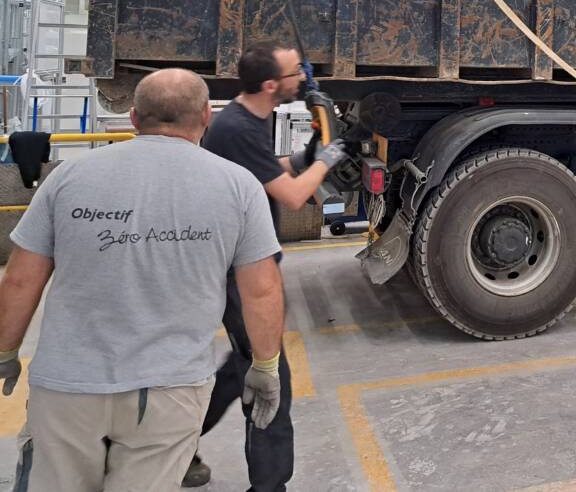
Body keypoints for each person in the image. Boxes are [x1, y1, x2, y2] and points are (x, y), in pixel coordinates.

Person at [0, 68, 284, 491]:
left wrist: (6, 350)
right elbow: (261, 289)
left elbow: (20, 280)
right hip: (170, 392)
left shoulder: (68, 178)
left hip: (67, 387)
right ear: (206, 116)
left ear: (133, 117)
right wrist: (265, 365)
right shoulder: (238, 187)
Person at [187, 42, 347, 491]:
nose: (306, 77)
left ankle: (176, 446)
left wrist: (306, 157)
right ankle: (268, 485)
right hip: (241, 273)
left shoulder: (246, 118)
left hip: (245, 266)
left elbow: (270, 168)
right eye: (299, 71)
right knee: (269, 377)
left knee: (239, 368)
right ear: (273, 84)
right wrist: (329, 160)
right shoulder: (236, 127)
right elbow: (295, 197)